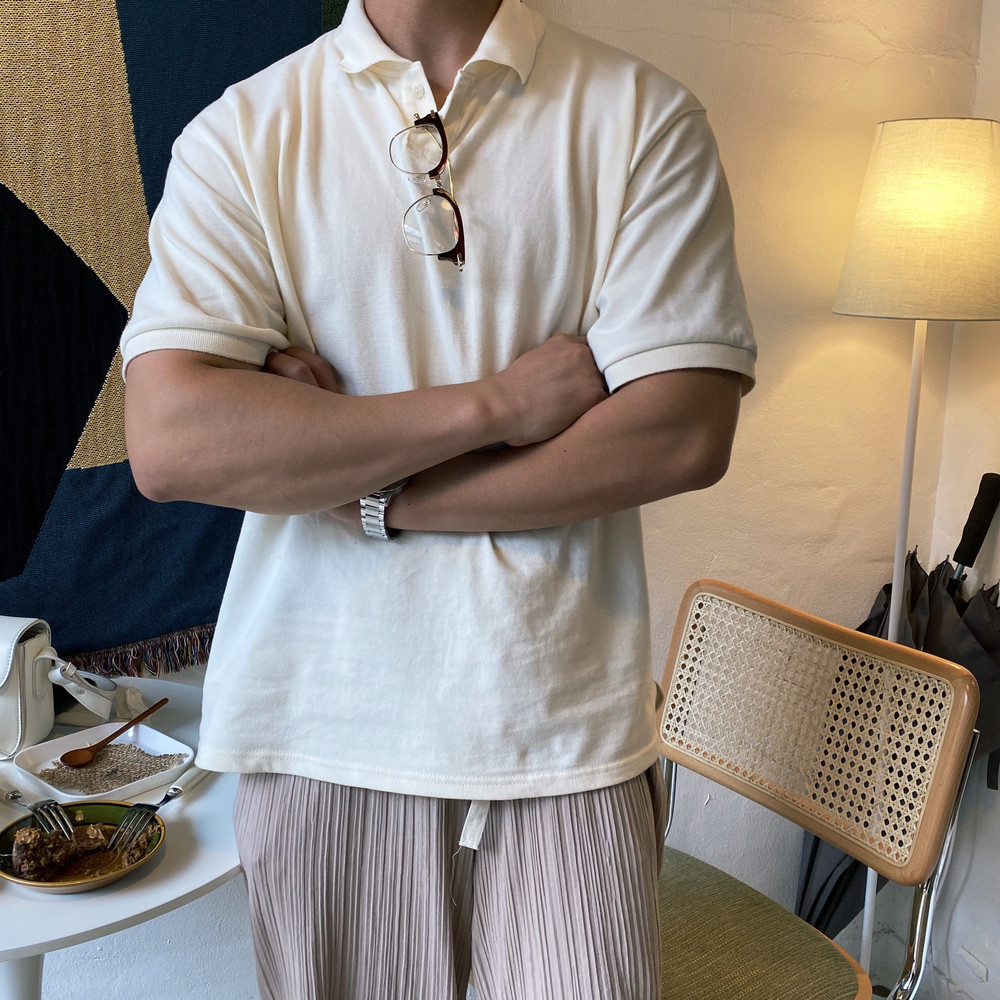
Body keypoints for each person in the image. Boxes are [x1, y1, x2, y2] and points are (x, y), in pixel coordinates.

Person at [121, 0, 757, 996]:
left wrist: (379, 493)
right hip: (322, 729)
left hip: (567, 735)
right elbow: (174, 441)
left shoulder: (641, 116)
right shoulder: (243, 131)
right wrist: (498, 404)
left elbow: (681, 430)